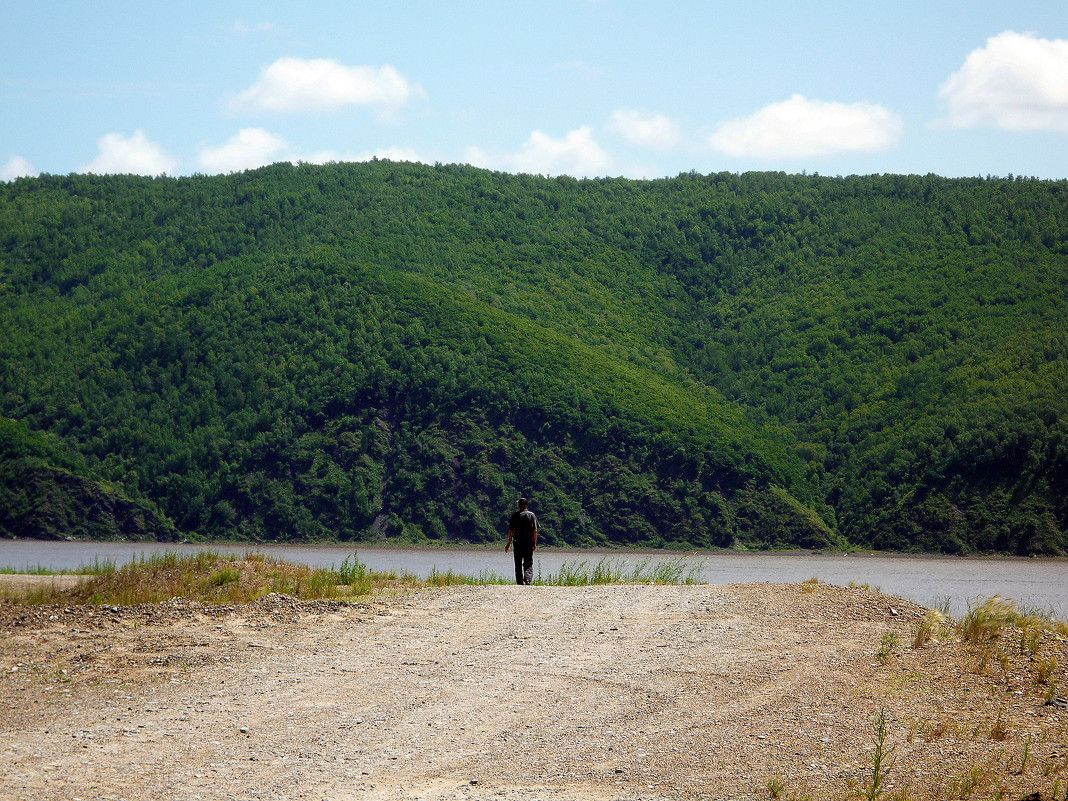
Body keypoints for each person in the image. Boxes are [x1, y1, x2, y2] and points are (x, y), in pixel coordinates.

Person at [505, 497, 538, 585]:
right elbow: (535, 530)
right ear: (526, 506)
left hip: (518, 542)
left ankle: (519, 582)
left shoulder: (515, 515)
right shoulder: (532, 515)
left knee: (518, 563)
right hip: (528, 543)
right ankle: (527, 579)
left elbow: (511, 530)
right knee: (528, 562)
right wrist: (534, 543)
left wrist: (508, 543)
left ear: (520, 506)